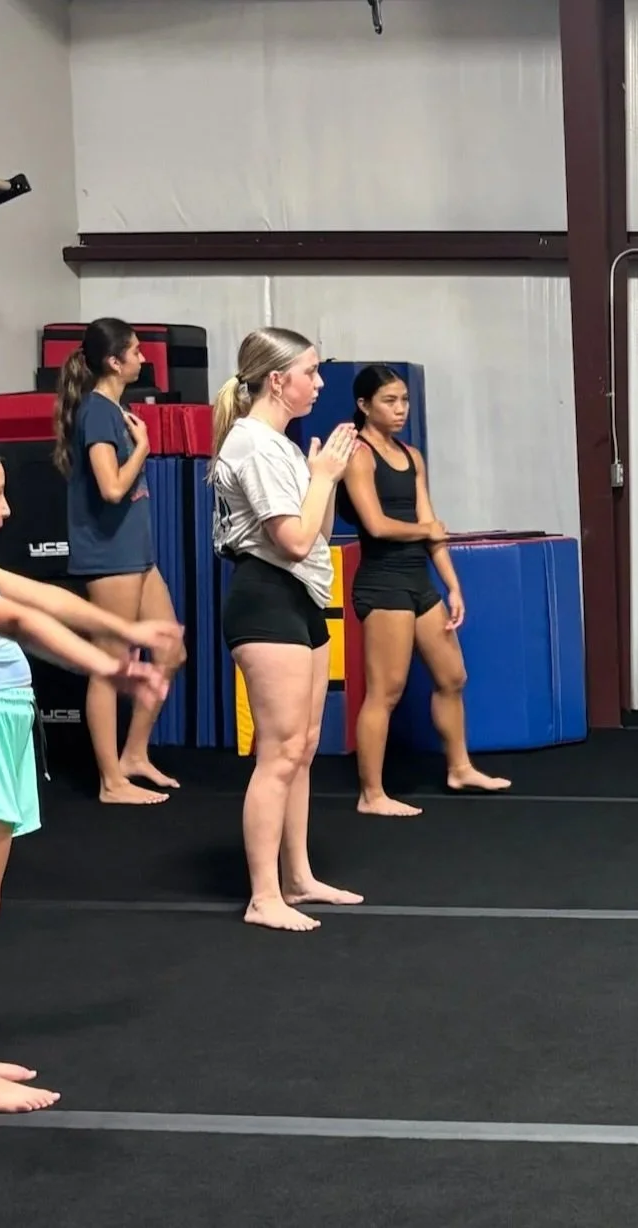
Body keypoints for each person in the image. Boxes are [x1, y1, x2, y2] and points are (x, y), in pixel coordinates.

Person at [0, 448, 177, 1112]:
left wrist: (119, 627)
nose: (7, 509)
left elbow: (35, 595)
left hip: (5, 726)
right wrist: (107, 665)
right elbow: (19, 620)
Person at [210, 327, 363, 933]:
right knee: (277, 755)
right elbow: (292, 540)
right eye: (311, 372)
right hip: (265, 601)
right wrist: (323, 475)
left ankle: (297, 877)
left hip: (299, 600)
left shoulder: (282, 445)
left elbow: (317, 533)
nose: (320, 383)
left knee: (301, 749)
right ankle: (262, 896)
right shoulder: (251, 444)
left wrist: (325, 473)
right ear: (278, 380)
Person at [336, 365, 509, 816]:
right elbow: (374, 525)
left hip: (418, 581)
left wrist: (452, 585)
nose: (400, 409)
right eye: (389, 401)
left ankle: (460, 768)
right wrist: (426, 528)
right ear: (364, 406)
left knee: (453, 677)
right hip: (383, 583)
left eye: (404, 401)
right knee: (386, 692)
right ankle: (371, 795)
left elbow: (432, 529)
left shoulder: (412, 456)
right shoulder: (358, 455)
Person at [51, 317, 187, 804]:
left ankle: (133, 754)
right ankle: (111, 781)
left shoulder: (114, 409)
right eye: (136, 351)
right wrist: (145, 449)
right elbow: (111, 488)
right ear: (114, 361)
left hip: (137, 555)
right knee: (110, 665)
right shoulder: (98, 413)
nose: (144, 358)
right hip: (108, 557)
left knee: (171, 651)